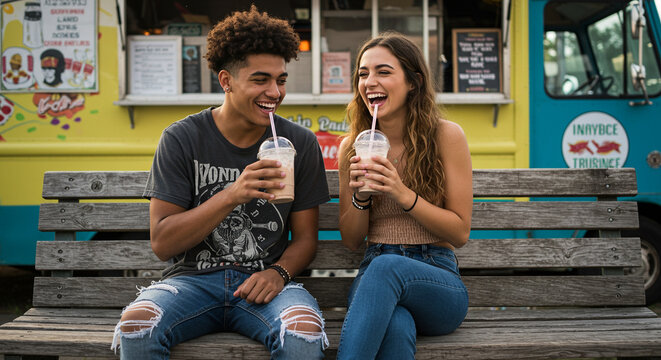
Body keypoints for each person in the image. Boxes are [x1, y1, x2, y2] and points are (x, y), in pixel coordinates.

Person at [111, 6, 330, 359]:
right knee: (138, 326)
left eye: (281, 80)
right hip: (190, 282)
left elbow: (305, 239)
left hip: (265, 283)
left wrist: (278, 272)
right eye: (260, 80)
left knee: (302, 333)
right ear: (226, 81)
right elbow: (163, 243)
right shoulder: (182, 139)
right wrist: (231, 195)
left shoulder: (298, 143)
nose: (275, 91)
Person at [336, 32, 473, 359]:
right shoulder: (352, 146)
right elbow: (353, 241)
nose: (370, 81)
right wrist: (361, 198)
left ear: (413, 82)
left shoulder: (446, 136)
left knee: (385, 268)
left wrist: (402, 194)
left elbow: (459, 232)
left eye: (383, 72)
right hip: (375, 274)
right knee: (395, 327)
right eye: (363, 73)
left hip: (437, 277)